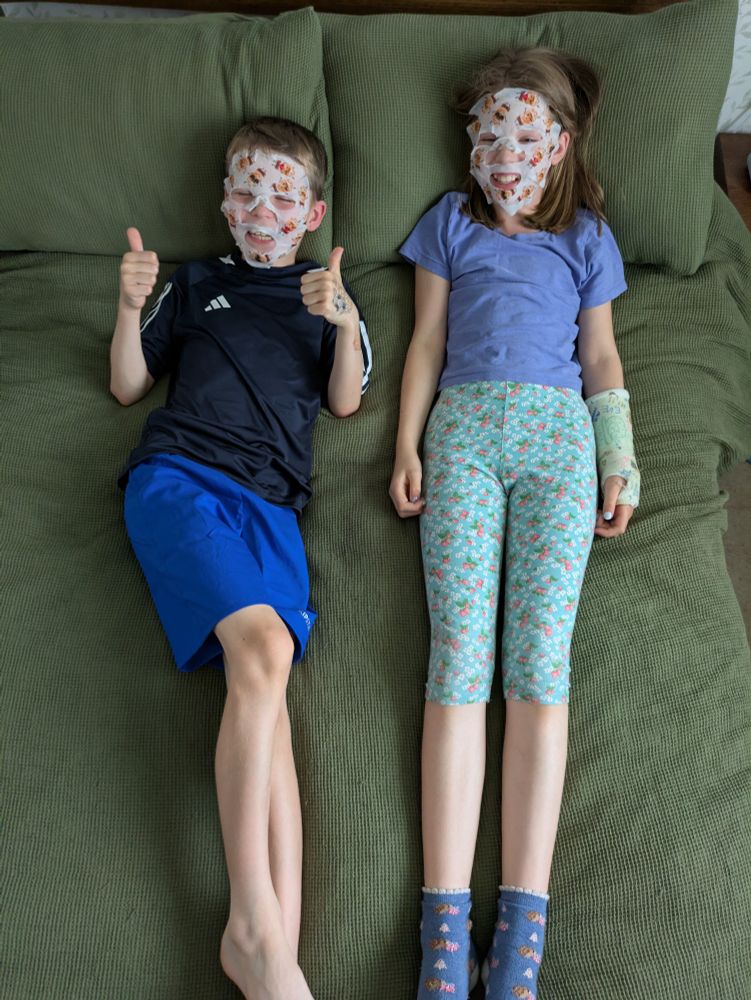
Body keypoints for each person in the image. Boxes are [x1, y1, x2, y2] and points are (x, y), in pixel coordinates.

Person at [389, 48, 640, 1000]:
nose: (503, 153)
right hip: (462, 437)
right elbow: (423, 341)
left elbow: (604, 358)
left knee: (537, 664)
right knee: (458, 661)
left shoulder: (585, 237)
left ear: (560, 144)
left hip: (558, 443)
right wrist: (405, 445)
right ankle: (444, 940)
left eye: (524, 135)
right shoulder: (449, 224)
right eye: (486, 135)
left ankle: (519, 946)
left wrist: (618, 458)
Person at [110, 116, 372, 1000]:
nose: (262, 211)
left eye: (282, 198)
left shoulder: (325, 293)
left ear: (312, 213)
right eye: (246, 194)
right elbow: (126, 385)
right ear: (225, 203)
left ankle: (275, 962)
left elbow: (343, 406)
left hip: (272, 510)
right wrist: (126, 307)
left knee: (270, 697)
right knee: (260, 658)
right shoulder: (195, 284)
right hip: (181, 478)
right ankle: (250, 923)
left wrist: (339, 319)